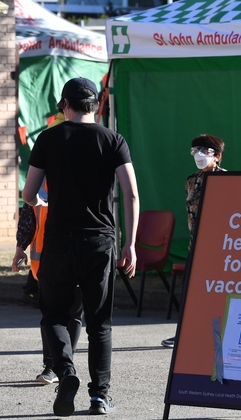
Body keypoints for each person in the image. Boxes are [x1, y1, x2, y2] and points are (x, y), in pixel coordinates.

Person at [22, 77, 139, 417]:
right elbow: (130, 193)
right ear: (96, 105)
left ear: (65, 104)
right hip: (99, 242)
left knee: (55, 315)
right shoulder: (113, 139)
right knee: (100, 323)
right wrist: (129, 244)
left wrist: (44, 194)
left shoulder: (48, 138)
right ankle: (100, 397)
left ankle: (65, 372)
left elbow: (29, 194)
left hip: (59, 241)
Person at [12, 180, 83, 385]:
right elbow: (29, 214)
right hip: (47, 259)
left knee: (71, 314)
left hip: (76, 254)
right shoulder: (42, 177)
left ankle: (64, 365)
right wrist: (20, 246)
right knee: (54, 315)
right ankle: (53, 366)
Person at [161, 134, 225, 348]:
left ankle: (220, 335)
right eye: (195, 150)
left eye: (204, 151)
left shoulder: (228, 180)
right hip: (195, 247)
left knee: (218, 293)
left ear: (217, 156)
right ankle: (185, 334)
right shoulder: (191, 180)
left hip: (221, 249)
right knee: (192, 294)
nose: (198, 155)